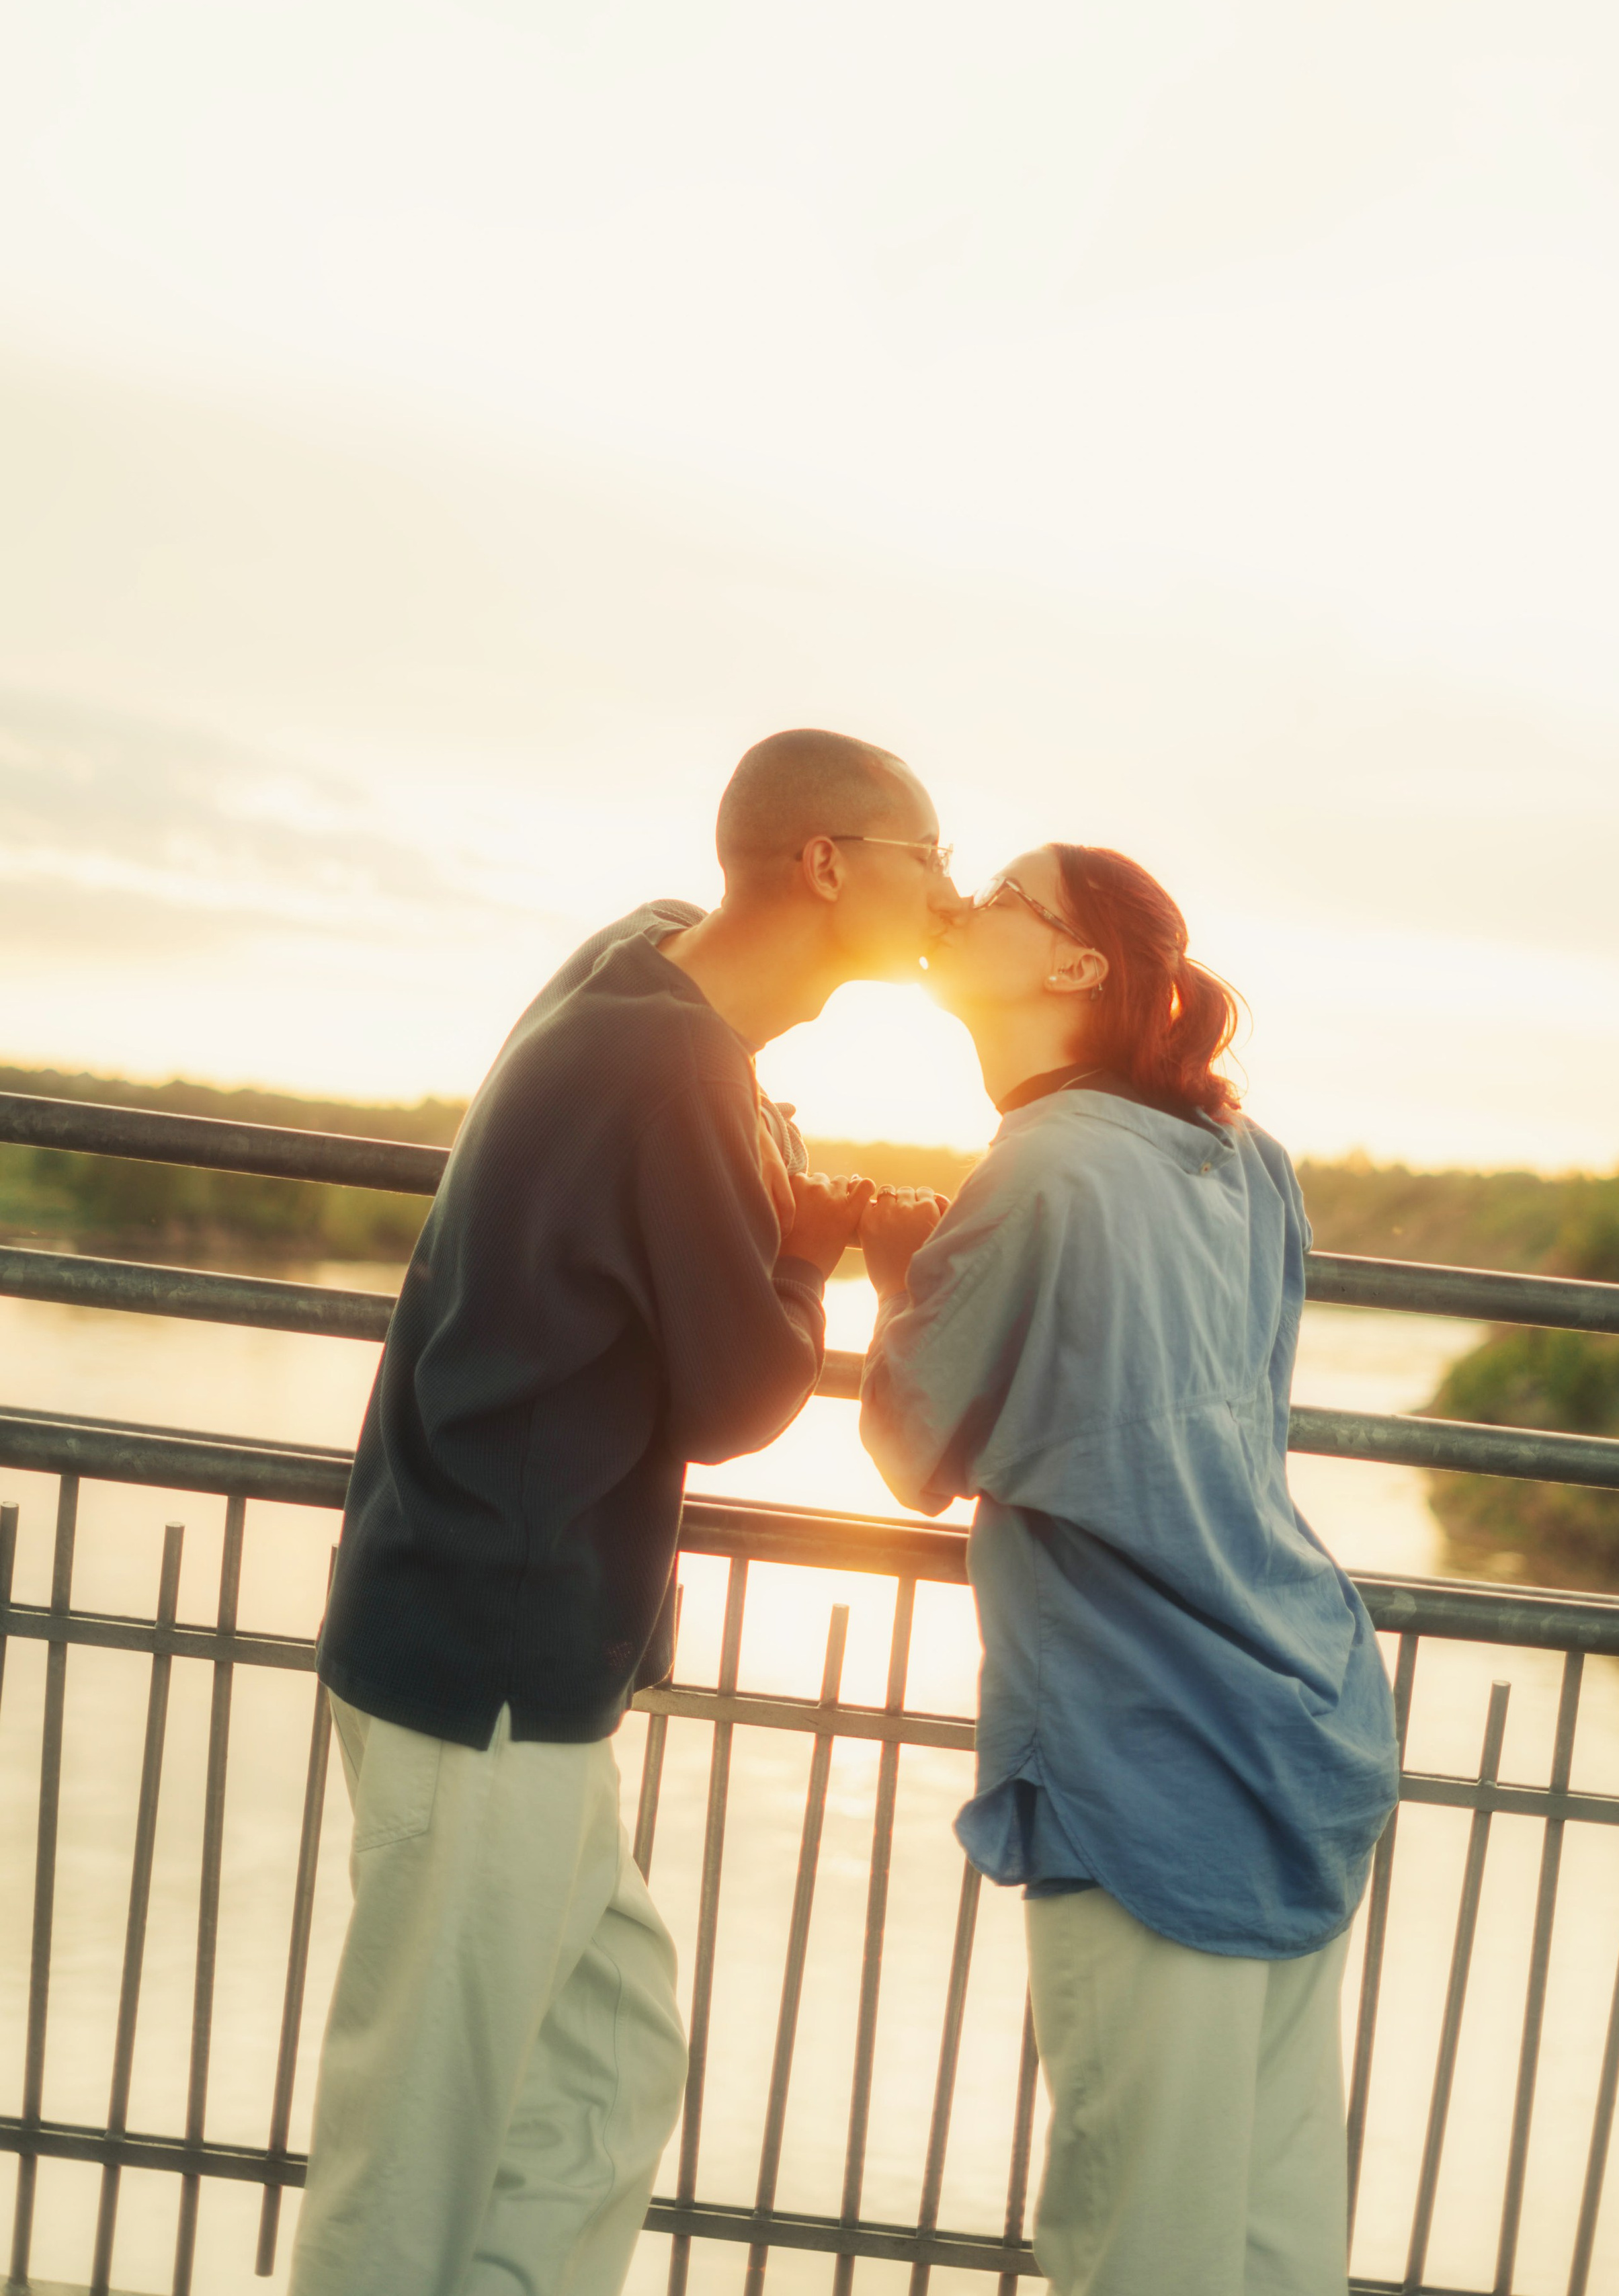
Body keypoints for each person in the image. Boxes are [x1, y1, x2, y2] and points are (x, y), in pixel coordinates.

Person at [290, 729, 962, 2296]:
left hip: (496, 1644)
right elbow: (737, 1400)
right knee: (420, 2134)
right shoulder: (670, 1062)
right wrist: (807, 1246)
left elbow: (677, 956)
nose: (944, 888)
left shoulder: (640, 975)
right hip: (489, 1667)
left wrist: (760, 1166)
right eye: (924, 856)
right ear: (823, 865)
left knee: (604, 2064)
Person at [856, 844, 1399, 2296]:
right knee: (1263, 2227)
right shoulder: (1246, 1161)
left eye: (995, 899)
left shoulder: (1034, 1167)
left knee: (1135, 2237)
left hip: (1145, 1747)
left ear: (1072, 968)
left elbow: (914, 1446)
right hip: (1303, 1710)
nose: (955, 907)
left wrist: (893, 1274)